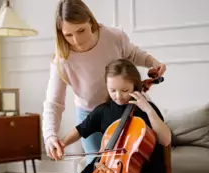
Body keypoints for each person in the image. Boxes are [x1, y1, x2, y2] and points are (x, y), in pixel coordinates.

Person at [43, 0, 167, 164]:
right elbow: (54, 103)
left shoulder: (113, 36)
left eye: (81, 30)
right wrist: (50, 136)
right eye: (68, 35)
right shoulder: (62, 59)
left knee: (132, 161)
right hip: (90, 113)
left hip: (123, 107)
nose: (76, 40)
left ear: (90, 20)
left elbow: (133, 54)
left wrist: (153, 62)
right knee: (97, 167)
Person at [49, 59, 171, 173]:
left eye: (124, 90)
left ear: (135, 85)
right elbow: (80, 129)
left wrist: (148, 108)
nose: (118, 96)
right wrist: (62, 143)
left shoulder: (146, 110)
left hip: (145, 167)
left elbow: (165, 139)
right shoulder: (103, 110)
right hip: (108, 164)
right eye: (112, 90)